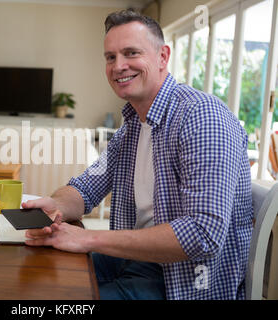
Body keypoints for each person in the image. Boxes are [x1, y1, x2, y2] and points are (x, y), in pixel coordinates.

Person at [22, 9, 253, 300]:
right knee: (35, 277)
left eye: (131, 53)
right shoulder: (132, 127)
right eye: (110, 57)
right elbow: (85, 187)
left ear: (163, 57)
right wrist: (55, 205)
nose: (119, 66)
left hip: (179, 282)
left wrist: (89, 238)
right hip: (135, 261)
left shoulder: (202, 116)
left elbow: (202, 235)